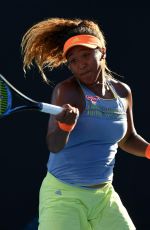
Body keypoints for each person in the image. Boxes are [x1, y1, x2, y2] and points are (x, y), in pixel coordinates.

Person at [21, 17, 150, 230]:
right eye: (73, 60)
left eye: (86, 55)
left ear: (102, 52)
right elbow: (54, 145)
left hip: (104, 197)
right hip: (63, 197)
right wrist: (65, 127)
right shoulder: (67, 91)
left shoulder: (122, 92)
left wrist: (148, 151)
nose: (81, 64)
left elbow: (127, 138)